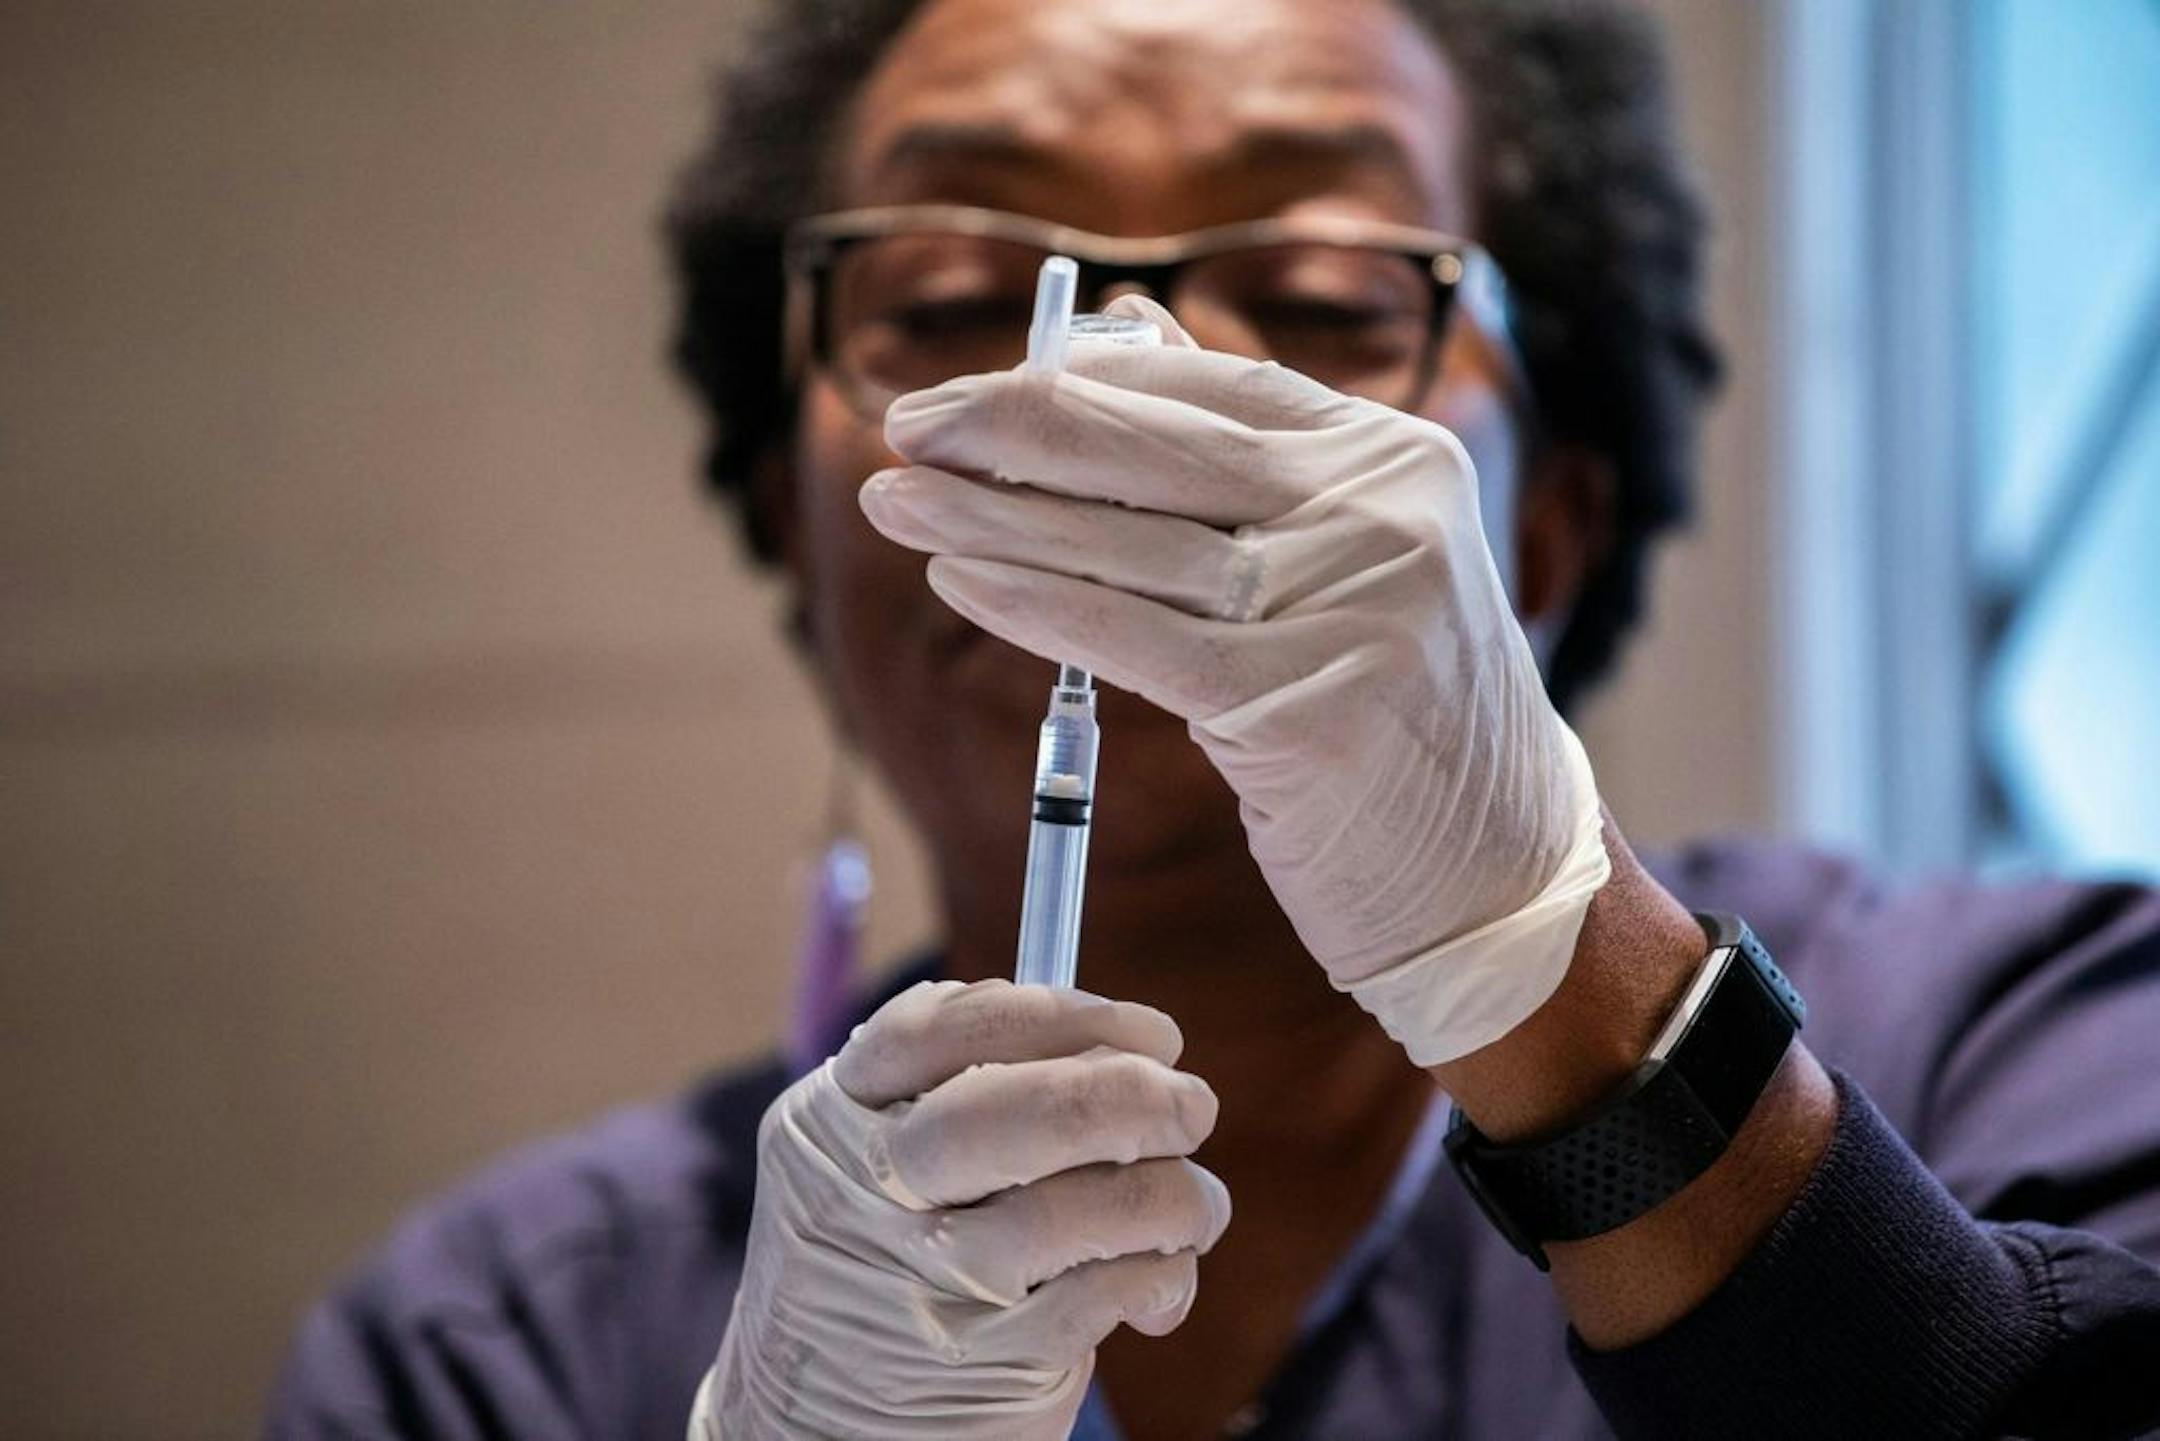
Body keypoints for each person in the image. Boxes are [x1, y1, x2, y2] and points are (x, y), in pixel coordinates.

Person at [264, 0, 2160, 1437]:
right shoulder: (504, 1347)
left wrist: (1567, 991)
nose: (1113, 398)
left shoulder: (2032, 1050)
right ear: (792, 511)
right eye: (955, 299)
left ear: (1552, 520)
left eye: (1323, 300)